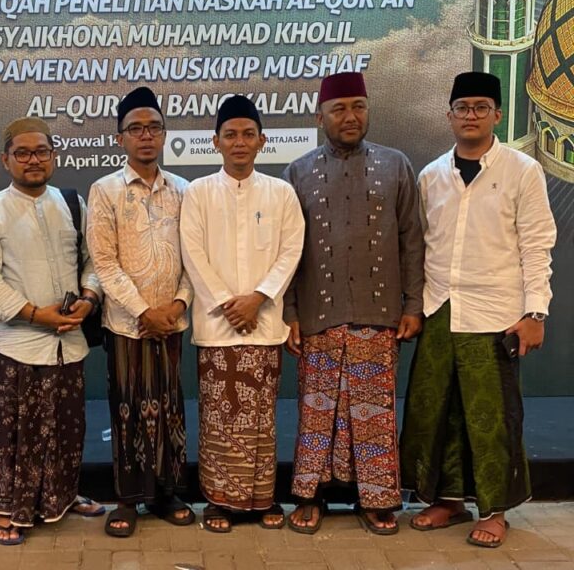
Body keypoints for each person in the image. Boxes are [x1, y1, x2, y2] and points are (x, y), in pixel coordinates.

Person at [400, 72, 555, 549]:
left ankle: (494, 511)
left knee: (491, 419)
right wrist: (414, 306)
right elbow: (419, 247)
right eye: (462, 107)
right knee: (439, 413)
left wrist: (536, 312)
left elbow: (537, 244)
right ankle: (448, 501)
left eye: (480, 107)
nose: (471, 115)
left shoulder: (522, 170)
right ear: (449, 115)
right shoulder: (431, 175)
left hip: (496, 314)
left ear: (498, 116)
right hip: (440, 310)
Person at [283, 71, 424, 535]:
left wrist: (413, 304)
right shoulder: (298, 172)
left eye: (358, 107)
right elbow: (287, 250)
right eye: (339, 109)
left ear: (368, 111)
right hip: (317, 315)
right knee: (317, 413)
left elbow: (411, 239)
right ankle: (311, 496)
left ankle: (376, 499)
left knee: (373, 415)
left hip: (378, 315)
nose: (350, 117)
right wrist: (290, 313)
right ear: (319, 116)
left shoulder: (396, 165)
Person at [0, 116, 105, 546]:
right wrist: (32, 313)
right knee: (16, 433)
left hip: (69, 342)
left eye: (41, 152)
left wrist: (89, 297)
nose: (33, 160)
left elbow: (93, 261)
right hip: (19, 343)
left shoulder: (72, 203)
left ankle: (60, 497)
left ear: (54, 156)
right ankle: (8, 509)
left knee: (66, 427)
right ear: (5, 160)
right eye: (22, 153)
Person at [180, 95, 304, 533]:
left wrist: (258, 298)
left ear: (262, 141)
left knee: (261, 420)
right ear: (215, 141)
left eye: (248, 134)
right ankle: (217, 502)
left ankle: (262, 499)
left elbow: (291, 250)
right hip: (217, 328)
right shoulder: (197, 193)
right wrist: (228, 304)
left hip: (265, 324)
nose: (239, 142)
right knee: (219, 419)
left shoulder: (281, 193)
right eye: (230, 134)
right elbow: (192, 254)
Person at [87, 86, 194, 537]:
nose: (145, 135)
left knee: (170, 407)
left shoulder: (184, 190)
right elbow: (104, 262)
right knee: (128, 409)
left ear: (165, 134)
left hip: (171, 321)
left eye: (153, 127)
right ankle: (128, 499)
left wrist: (178, 304)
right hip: (126, 324)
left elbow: (194, 259)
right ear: (120, 139)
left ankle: (167, 494)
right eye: (135, 129)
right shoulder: (105, 190)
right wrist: (142, 311)